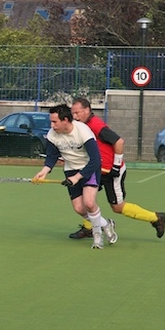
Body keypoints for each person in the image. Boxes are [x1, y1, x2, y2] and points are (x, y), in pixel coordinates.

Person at [70, 98, 165, 239]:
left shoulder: (96, 125)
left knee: (117, 207)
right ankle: (90, 226)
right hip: (97, 169)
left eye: (77, 113)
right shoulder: (81, 126)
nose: (75, 117)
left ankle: (156, 218)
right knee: (86, 199)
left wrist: (115, 166)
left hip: (111, 171)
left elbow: (119, 142)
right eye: (73, 113)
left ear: (87, 110)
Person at [32, 104, 117, 249]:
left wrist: (78, 177)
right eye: (51, 122)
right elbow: (52, 156)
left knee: (89, 203)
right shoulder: (53, 134)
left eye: (55, 122)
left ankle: (97, 237)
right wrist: (44, 171)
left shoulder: (83, 131)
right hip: (70, 169)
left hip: (89, 168)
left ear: (65, 120)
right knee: (79, 208)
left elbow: (95, 160)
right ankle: (105, 224)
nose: (52, 125)